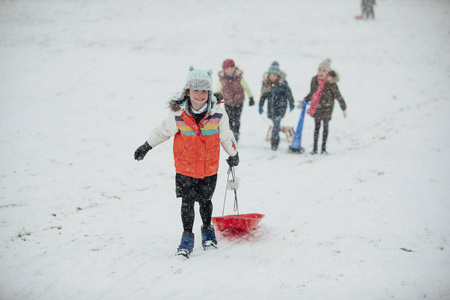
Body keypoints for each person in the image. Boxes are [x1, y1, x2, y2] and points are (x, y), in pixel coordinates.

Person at [134, 66, 239, 258]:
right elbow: (163, 131)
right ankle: (187, 236)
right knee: (187, 203)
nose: (199, 95)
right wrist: (146, 146)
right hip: (185, 168)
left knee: (206, 202)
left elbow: (226, 136)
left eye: (204, 91)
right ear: (188, 92)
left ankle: (207, 231)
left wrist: (233, 154)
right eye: (195, 90)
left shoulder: (218, 114)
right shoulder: (178, 114)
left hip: (209, 168)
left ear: (209, 92)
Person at [301, 58, 347, 155]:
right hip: (317, 107)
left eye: (324, 70)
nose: (321, 72)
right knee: (317, 127)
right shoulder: (314, 80)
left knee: (325, 127)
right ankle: (314, 149)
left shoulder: (331, 83)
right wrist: (304, 101)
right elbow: (312, 93)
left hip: (327, 107)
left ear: (328, 72)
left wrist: (343, 107)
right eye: (320, 70)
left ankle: (323, 149)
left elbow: (338, 95)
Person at [214, 59, 254, 142]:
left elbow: (246, 87)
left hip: (239, 102)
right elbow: (217, 90)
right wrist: (215, 99)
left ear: (234, 68)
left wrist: (251, 97)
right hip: (228, 102)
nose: (230, 71)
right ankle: (229, 134)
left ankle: (236, 134)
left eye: (231, 68)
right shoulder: (222, 80)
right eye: (227, 69)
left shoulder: (239, 77)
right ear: (224, 70)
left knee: (236, 119)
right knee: (228, 119)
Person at [258, 61, 295, 150]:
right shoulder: (266, 84)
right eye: (271, 75)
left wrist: (291, 104)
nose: (273, 77)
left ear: (278, 76)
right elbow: (263, 96)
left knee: (277, 122)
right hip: (271, 107)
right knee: (274, 121)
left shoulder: (283, 84)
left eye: (275, 76)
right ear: (268, 75)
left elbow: (289, 94)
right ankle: (275, 136)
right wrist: (260, 105)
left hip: (281, 106)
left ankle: (275, 141)